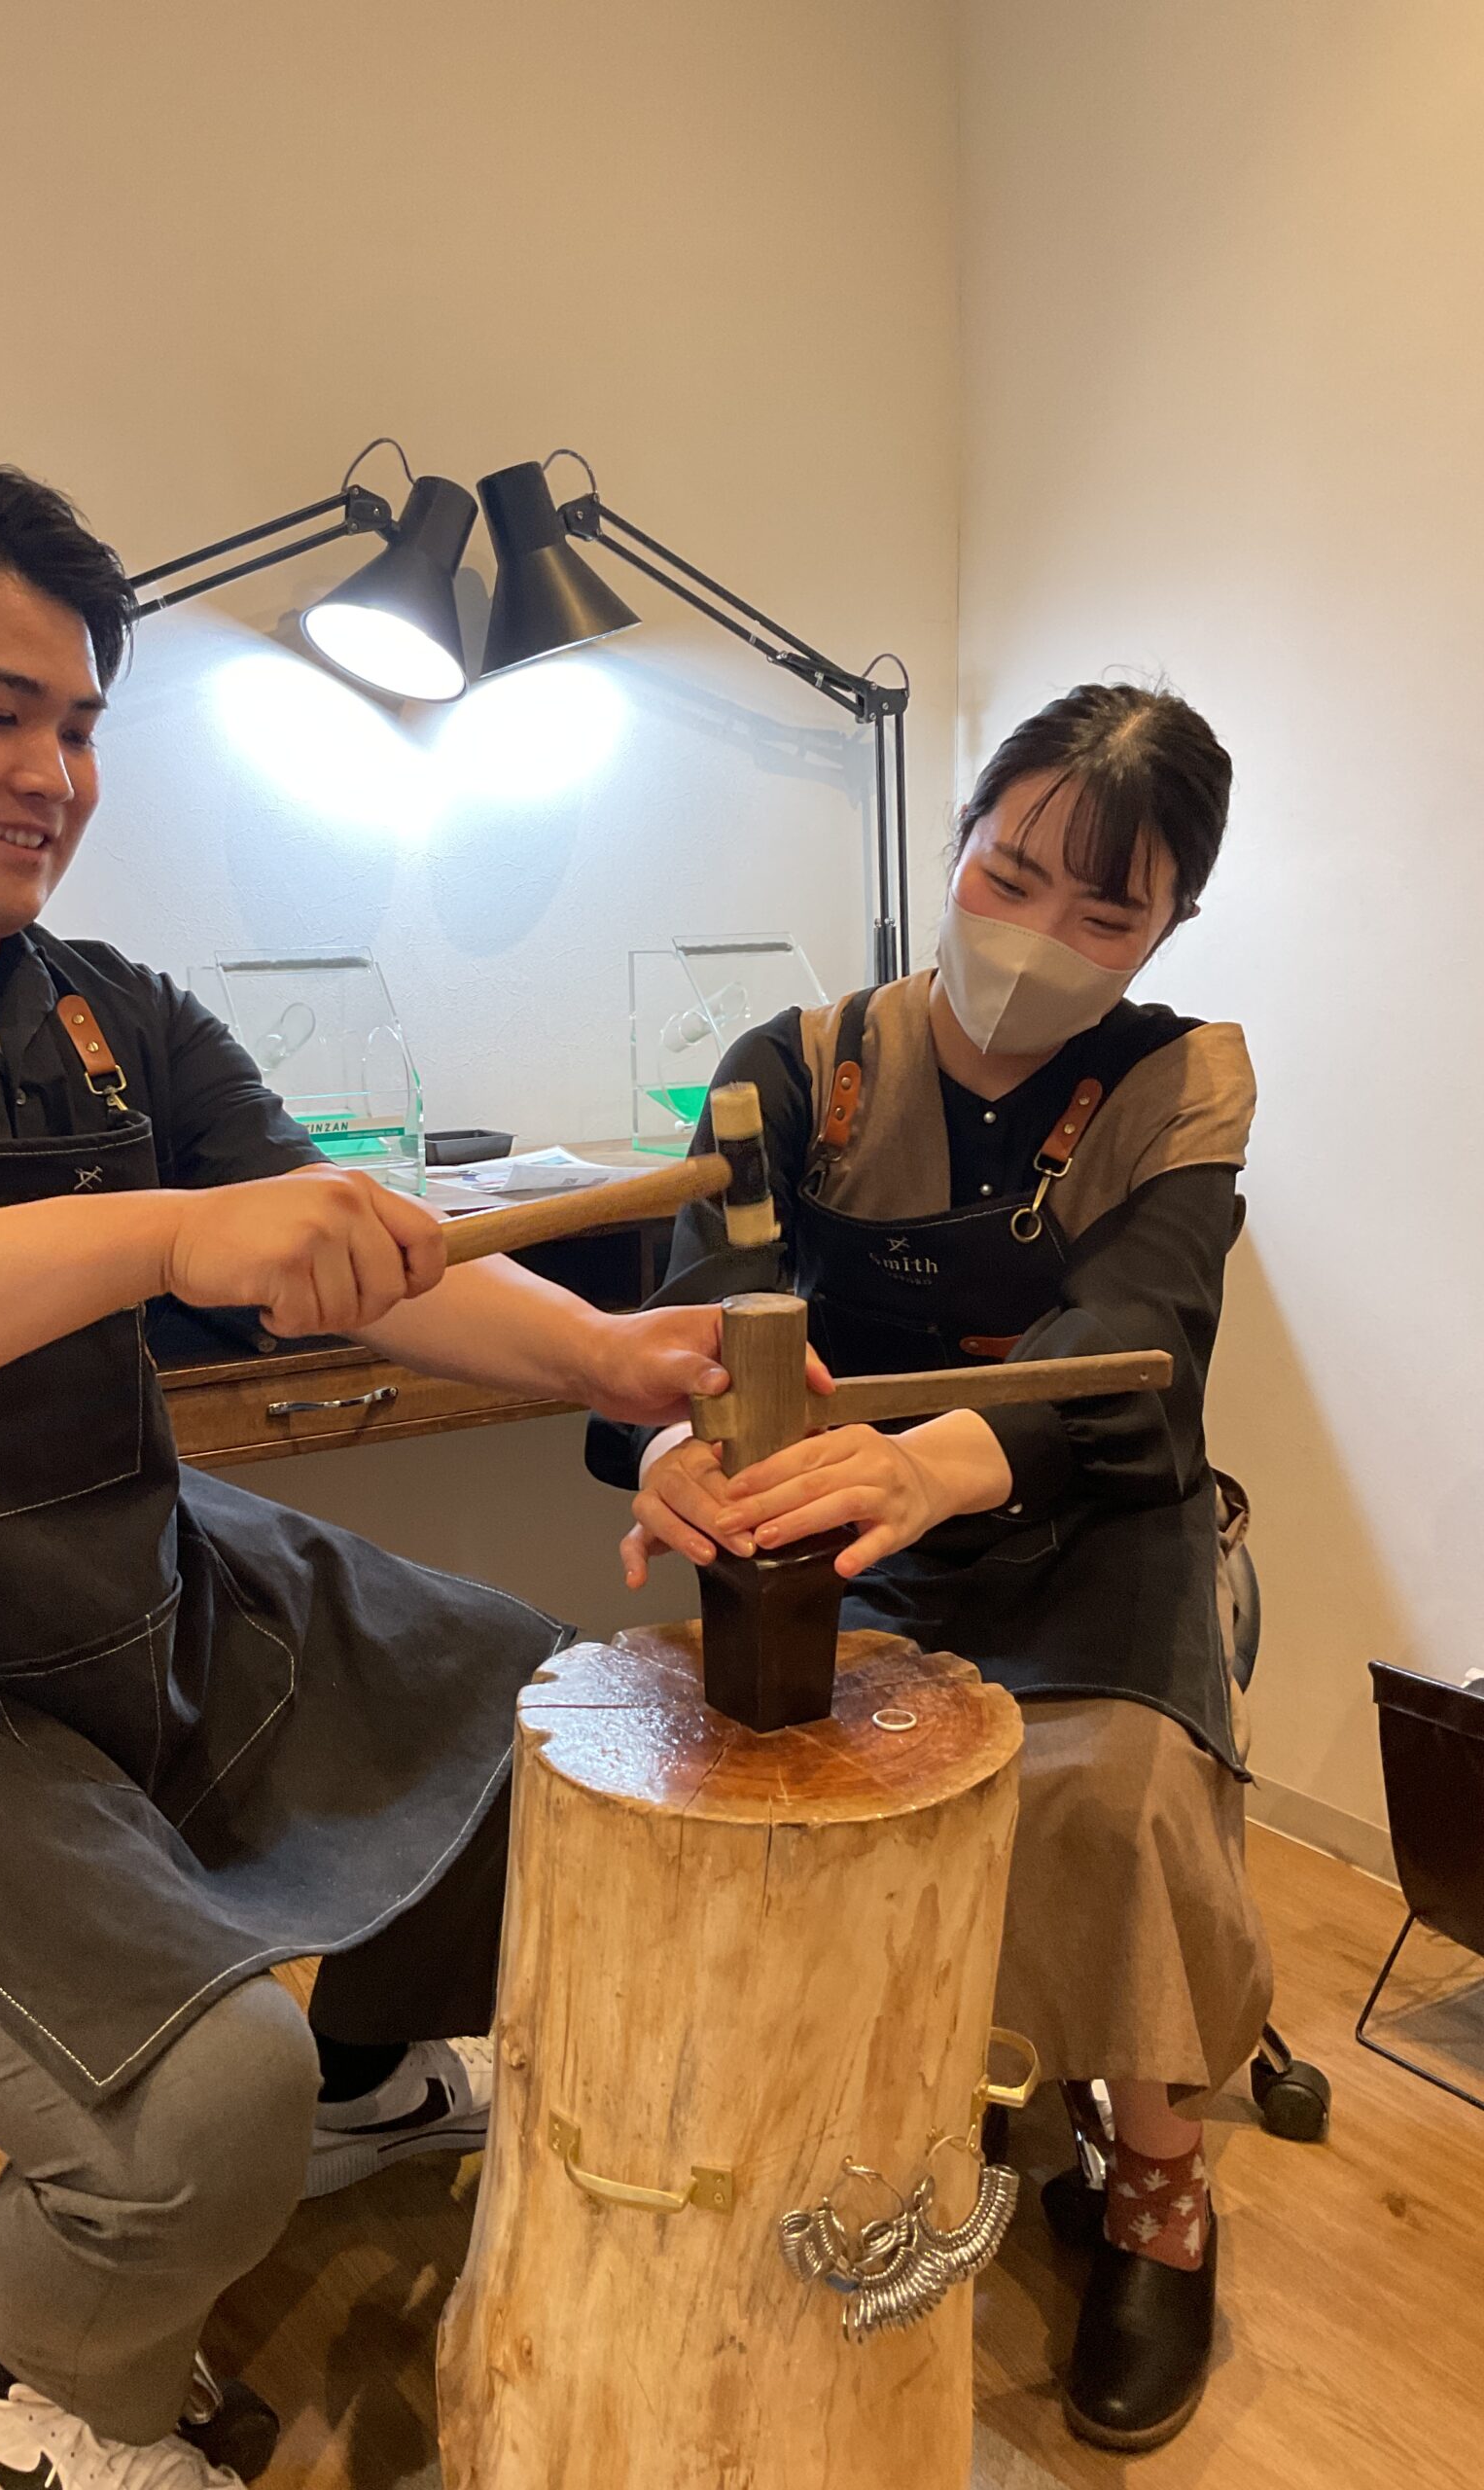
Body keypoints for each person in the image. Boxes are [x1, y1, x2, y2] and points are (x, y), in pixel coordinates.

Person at [0, 464, 738, 2490]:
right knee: (201, 2098)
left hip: (99, 1583)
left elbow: (358, 1239)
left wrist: (614, 1357)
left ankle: (371, 2091)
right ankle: (24, 2368)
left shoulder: (106, 1014)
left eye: (81, 726)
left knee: (551, 1743)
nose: (55, 776)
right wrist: (157, 1235)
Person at [588, 683, 1273, 2454]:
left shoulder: (1182, 1082)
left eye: (1106, 911)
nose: (1037, 937)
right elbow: (689, 1319)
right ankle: (884, 2115)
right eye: (1009, 875)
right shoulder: (798, 1070)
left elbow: (1143, 1334)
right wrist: (675, 1457)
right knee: (805, 1792)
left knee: (1117, 1794)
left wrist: (933, 1457)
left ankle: (1157, 2184)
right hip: (853, 1525)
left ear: (1173, 922)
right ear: (954, 846)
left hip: (1090, 1517)